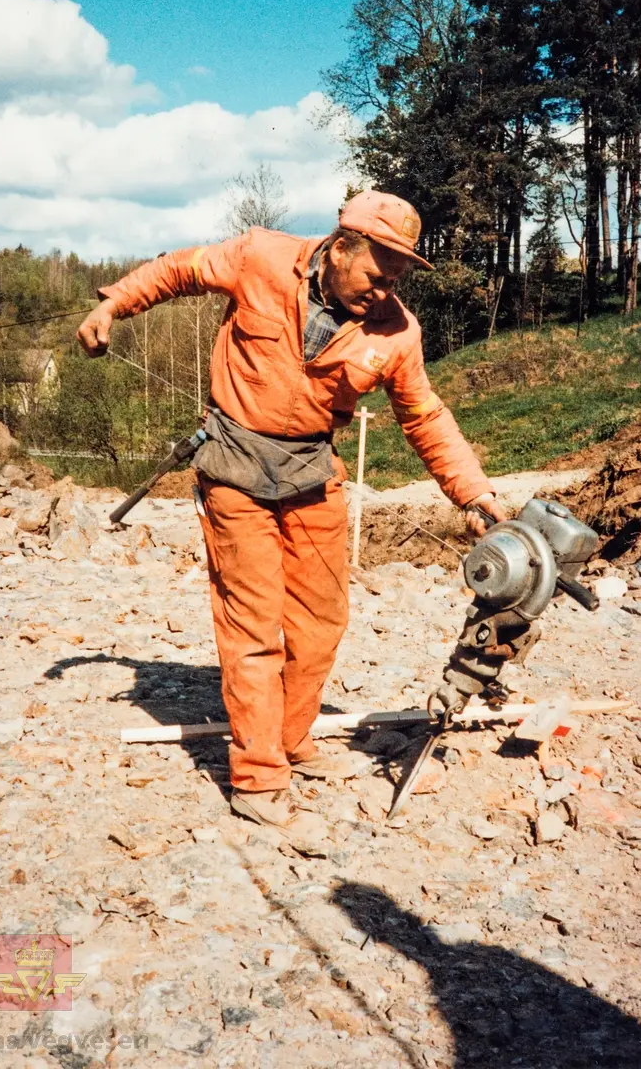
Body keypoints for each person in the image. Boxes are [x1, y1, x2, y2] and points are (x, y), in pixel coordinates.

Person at [77, 190, 506, 841]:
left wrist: (472, 494)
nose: (383, 290)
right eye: (375, 273)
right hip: (233, 470)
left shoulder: (396, 332)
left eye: (396, 279)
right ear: (340, 246)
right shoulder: (257, 257)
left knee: (321, 622)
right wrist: (115, 304)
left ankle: (288, 737)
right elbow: (178, 270)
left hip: (312, 475)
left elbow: (425, 418)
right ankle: (257, 779)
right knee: (252, 626)